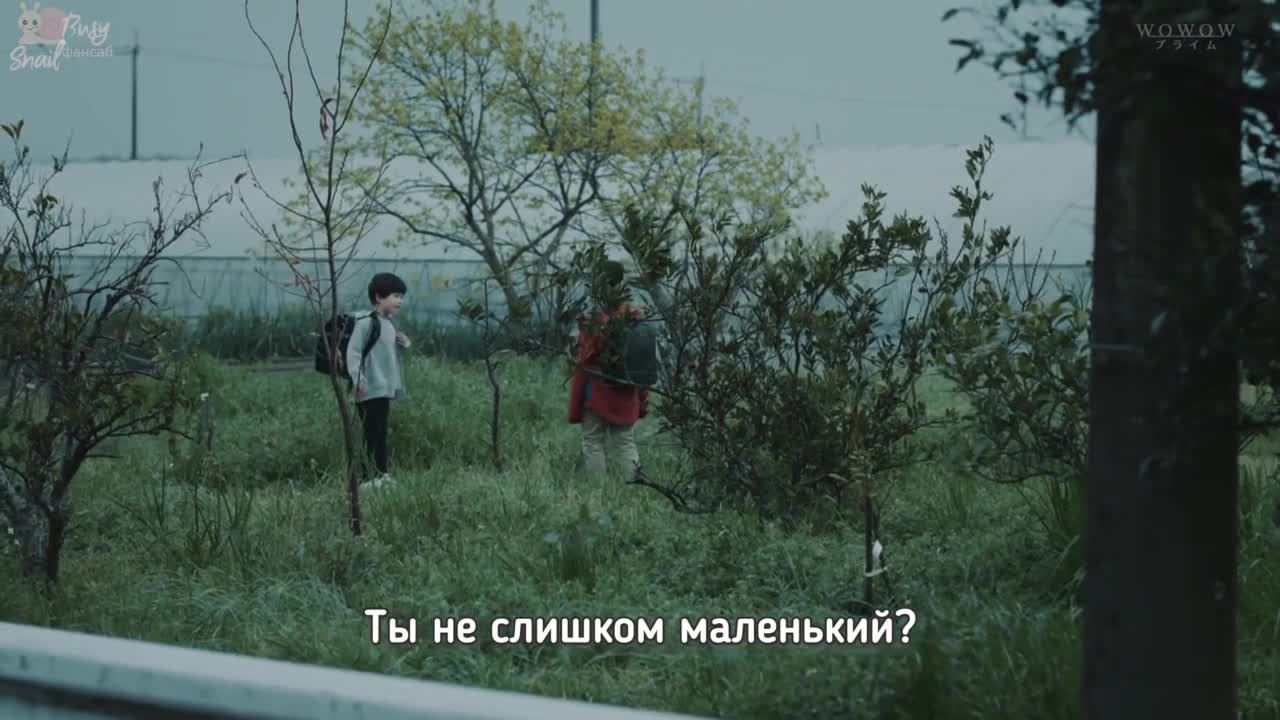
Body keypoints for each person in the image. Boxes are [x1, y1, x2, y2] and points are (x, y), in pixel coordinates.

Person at [568, 260, 649, 481]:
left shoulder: (593, 319)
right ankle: (634, 487)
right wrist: (642, 397)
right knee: (625, 441)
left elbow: (584, 358)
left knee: (593, 440)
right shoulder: (635, 316)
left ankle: (599, 491)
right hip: (626, 389)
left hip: (596, 390)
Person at [347, 272, 412, 489]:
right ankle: (368, 478)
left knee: (381, 432)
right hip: (368, 389)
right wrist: (358, 380)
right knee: (371, 433)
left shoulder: (388, 324)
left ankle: (381, 475)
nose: (400, 301)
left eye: (401, 296)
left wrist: (403, 343)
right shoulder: (365, 322)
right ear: (379, 297)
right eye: (396, 296)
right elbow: (353, 352)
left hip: (383, 388)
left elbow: (387, 353)